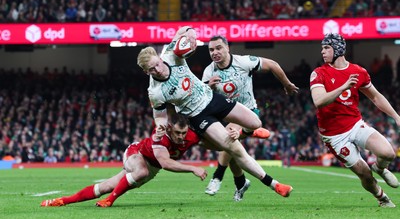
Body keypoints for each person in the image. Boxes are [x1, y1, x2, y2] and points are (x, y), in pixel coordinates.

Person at [137, 25, 293, 199]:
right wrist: (160, 126)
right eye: (152, 69)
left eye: (157, 64)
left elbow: (184, 29)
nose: (157, 69)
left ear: (159, 57)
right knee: (235, 149)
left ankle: (247, 131)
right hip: (198, 116)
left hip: (212, 98)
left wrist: (191, 35)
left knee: (255, 122)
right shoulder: (155, 91)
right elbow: (159, 116)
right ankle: (275, 185)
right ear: (146, 72)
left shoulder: (171, 54)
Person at [202, 35, 299, 200]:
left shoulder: (244, 62)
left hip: (248, 112)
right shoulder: (209, 71)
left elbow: (273, 65)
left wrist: (287, 84)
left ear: (227, 48)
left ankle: (217, 177)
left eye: (218, 48)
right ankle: (240, 183)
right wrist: (207, 87)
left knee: (227, 139)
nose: (215, 52)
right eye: (211, 49)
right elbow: (202, 100)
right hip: (226, 115)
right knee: (232, 151)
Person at [41, 113, 209, 207]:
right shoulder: (160, 136)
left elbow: (213, 142)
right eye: (177, 133)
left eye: (183, 133)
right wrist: (193, 168)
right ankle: (109, 201)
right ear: (170, 128)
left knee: (106, 186)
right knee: (140, 171)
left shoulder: (191, 137)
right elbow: (166, 163)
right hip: (137, 153)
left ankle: (62, 201)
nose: (181, 137)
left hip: (152, 168)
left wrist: (233, 134)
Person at [310, 33, 400, 208]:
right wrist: (344, 86)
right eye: (322, 48)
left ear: (338, 49)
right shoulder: (318, 73)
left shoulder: (358, 71)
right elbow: (319, 101)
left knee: (388, 153)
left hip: (355, 124)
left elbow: (376, 97)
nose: (322, 52)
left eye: (326, 47)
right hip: (334, 136)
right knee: (364, 174)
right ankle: (382, 198)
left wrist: (396, 116)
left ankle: (380, 168)